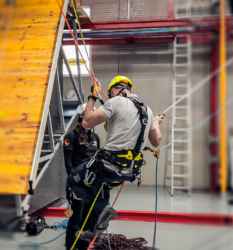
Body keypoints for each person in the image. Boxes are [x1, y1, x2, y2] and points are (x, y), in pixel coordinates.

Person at [66, 76, 165, 244]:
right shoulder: (147, 110)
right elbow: (156, 142)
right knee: (96, 188)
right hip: (130, 170)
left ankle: (104, 210)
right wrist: (156, 122)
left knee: (73, 180)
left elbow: (87, 121)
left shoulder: (116, 102)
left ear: (113, 90)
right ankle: (96, 230)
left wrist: (93, 95)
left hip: (109, 165)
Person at [63, 104, 102, 250]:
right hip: (77, 184)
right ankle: (71, 247)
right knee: (76, 218)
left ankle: (84, 245)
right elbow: (68, 165)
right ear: (81, 117)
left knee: (90, 217)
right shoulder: (70, 137)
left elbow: (97, 162)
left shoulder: (96, 138)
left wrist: (101, 184)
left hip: (92, 184)